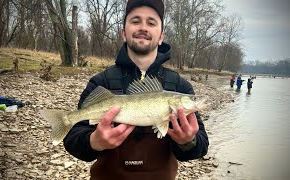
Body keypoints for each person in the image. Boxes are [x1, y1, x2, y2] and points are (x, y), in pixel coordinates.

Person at [63, 0, 209, 179]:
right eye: (135, 21)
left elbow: (201, 146)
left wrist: (189, 142)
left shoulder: (179, 86)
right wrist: (94, 141)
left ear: (161, 36)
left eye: (151, 22)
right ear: (123, 32)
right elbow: (72, 140)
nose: (143, 27)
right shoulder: (101, 82)